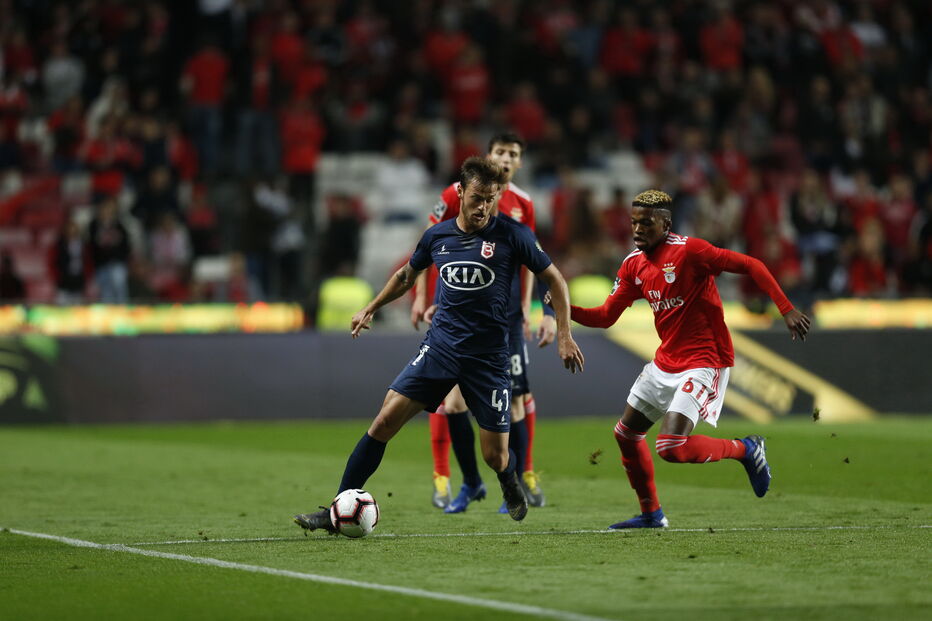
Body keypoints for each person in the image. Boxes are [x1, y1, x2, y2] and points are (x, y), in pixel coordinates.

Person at [293, 157, 584, 533]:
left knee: (495, 455)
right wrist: (371, 307)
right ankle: (336, 510)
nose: (483, 207)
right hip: (441, 348)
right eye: (477, 198)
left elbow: (556, 280)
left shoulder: (513, 235)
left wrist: (564, 332)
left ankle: (507, 479)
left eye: (490, 200)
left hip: (489, 359)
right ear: (460, 192)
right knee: (383, 421)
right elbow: (405, 276)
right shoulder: (437, 236)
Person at [567, 190, 810, 529]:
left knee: (670, 446)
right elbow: (606, 316)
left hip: (704, 359)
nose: (637, 230)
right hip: (665, 362)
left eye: (646, 224)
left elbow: (752, 265)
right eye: (634, 223)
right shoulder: (633, 265)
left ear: (666, 224)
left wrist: (785, 308)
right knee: (625, 435)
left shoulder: (692, 252)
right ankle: (652, 515)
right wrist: (567, 309)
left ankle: (745, 449)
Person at [411, 132, 555, 513]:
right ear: (488, 158)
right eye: (500, 153)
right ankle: (470, 481)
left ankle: (521, 478)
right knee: (453, 404)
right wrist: (425, 299)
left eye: (513, 154)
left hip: (505, 318)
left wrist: (528, 306)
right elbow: (428, 244)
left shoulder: (523, 204)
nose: (506, 160)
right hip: (457, 316)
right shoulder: (452, 194)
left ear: (520, 162)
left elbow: (534, 260)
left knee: (519, 401)